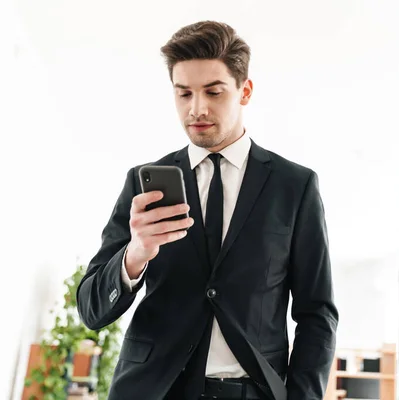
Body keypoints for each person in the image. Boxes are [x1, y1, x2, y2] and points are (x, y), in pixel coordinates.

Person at [76, 20, 338, 400]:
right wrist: (134, 256)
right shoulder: (140, 183)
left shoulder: (295, 187)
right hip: (153, 390)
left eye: (213, 92)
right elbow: (91, 309)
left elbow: (318, 314)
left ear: (244, 91)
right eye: (184, 94)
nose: (197, 109)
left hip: (253, 392)